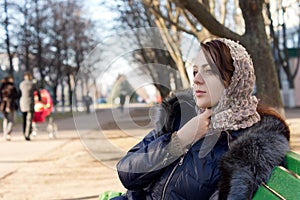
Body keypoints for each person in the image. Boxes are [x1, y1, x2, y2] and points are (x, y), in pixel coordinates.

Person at [115, 38, 290, 199]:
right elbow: (127, 173)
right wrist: (181, 139)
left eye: (208, 71)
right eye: (195, 71)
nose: (197, 80)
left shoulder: (248, 147)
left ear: (235, 80)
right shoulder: (181, 115)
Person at [19, 72, 39, 141]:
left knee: (24, 119)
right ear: (30, 77)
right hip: (30, 103)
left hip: (22, 103)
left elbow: (19, 94)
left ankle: (24, 133)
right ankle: (27, 134)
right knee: (29, 120)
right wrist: (39, 99)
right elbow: (38, 91)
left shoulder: (21, 84)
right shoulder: (32, 84)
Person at [0, 76, 19, 141]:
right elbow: (16, 96)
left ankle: (5, 133)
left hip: (3, 105)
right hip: (10, 105)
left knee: (5, 119)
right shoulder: (12, 87)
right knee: (11, 120)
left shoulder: (2, 87)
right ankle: (8, 133)